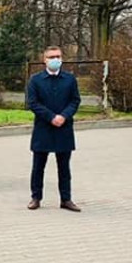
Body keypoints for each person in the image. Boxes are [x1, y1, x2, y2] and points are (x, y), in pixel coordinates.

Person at [26, 45, 82, 212]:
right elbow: (33, 103)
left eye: (57, 56)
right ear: (44, 60)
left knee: (64, 167)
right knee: (38, 166)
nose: (55, 60)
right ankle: (36, 197)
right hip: (43, 128)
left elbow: (75, 100)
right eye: (51, 57)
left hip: (64, 128)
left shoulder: (69, 79)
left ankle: (66, 199)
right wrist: (51, 117)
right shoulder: (35, 80)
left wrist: (64, 116)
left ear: (62, 58)